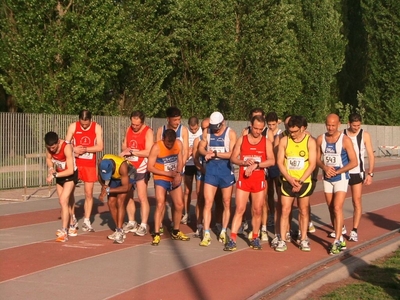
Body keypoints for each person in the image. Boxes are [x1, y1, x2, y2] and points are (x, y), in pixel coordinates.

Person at [225, 115, 275, 251]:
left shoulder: (266, 142)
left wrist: (257, 165)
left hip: (258, 181)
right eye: (255, 128)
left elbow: (272, 161)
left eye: (260, 129)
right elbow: (233, 158)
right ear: (250, 126)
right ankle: (232, 239)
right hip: (244, 180)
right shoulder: (242, 139)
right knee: (240, 209)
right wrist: (243, 162)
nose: (257, 131)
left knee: (257, 210)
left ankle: (255, 237)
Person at [316, 113, 357, 255]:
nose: (330, 127)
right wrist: (325, 167)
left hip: (341, 178)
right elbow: (316, 158)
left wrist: (339, 171)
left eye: (333, 125)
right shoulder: (321, 139)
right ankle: (340, 230)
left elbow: (354, 162)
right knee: (331, 207)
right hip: (327, 178)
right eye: (328, 125)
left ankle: (338, 240)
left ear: (339, 124)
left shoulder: (345, 140)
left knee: (337, 207)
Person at [275, 116, 317, 252]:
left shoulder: (310, 142)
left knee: (303, 211)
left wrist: (301, 180)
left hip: (303, 182)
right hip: (288, 181)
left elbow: (312, 164)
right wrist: (289, 177)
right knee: (285, 210)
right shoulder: (284, 141)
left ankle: (303, 238)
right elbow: (280, 162)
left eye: (295, 131)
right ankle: (282, 239)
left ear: (303, 128)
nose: (292, 134)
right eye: (290, 131)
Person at [198, 111, 237, 247]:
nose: (215, 130)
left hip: (225, 170)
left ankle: (223, 230)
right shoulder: (207, 132)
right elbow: (200, 148)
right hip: (211, 170)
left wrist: (215, 153)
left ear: (223, 123)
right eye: (213, 127)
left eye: (217, 127)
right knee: (208, 202)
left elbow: (233, 154)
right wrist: (206, 153)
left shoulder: (230, 133)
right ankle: (206, 232)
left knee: (226, 202)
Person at [147, 129, 190, 246]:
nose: (170, 145)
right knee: (160, 203)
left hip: (174, 177)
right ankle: (156, 233)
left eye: (171, 143)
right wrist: (167, 174)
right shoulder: (156, 147)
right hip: (161, 178)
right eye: (167, 143)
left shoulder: (178, 144)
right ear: (163, 139)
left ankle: (175, 230)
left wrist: (179, 174)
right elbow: (150, 167)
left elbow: (180, 160)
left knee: (179, 204)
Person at [65, 109, 104, 232]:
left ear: (90, 120)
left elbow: (100, 146)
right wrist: (74, 149)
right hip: (75, 164)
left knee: (89, 192)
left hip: (89, 164)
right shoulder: (73, 126)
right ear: (79, 120)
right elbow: (66, 143)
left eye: (86, 124)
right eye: (82, 124)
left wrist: (86, 149)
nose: (84, 126)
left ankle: (87, 220)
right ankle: (72, 217)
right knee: (70, 192)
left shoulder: (97, 127)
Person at [156, 106, 189, 233]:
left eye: (179, 120)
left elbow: (184, 152)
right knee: (161, 200)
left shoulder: (183, 130)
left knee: (178, 202)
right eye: (174, 120)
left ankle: (175, 227)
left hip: (177, 170)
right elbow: (157, 149)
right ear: (168, 119)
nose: (177, 122)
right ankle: (158, 225)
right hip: (162, 170)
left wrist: (179, 171)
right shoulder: (161, 130)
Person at [120, 111, 153, 237]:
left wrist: (133, 152)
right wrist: (126, 150)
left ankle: (143, 224)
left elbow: (149, 151)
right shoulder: (129, 129)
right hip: (129, 166)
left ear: (142, 122)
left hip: (141, 166)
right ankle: (132, 221)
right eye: (133, 124)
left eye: (137, 125)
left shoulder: (148, 132)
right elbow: (124, 145)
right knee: (128, 194)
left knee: (141, 196)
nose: (134, 127)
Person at [343, 113, 375, 242]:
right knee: (337, 203)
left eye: (358, 125)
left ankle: (354, 230)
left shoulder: (364, 135)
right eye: (354, 125)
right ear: (349, 123)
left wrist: (370, 173)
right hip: (344, 172)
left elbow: (371, 155)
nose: (356, 127)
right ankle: (340, 227)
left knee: (356, 201)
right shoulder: (342, 134)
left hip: (357, 172)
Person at [45, 131, 78, 242]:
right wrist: (50, 169)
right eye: (49, 147)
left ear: (58, 142)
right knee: (63, 202)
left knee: (63, 200)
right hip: (59, 175)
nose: (52, 150)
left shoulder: (66, 147)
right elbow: (49, 159)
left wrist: (54, 175)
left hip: (70, 175)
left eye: (54, 147)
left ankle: (64, 231)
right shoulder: (49, 148)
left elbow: (69, 170)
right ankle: (72, 225)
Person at [98, 154, 136, 244]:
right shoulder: (101, 162)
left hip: (129, 174)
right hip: (116, 177)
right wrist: (104, 187)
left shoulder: (122, 166)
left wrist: (108, 189)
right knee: (110, 202)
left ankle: (119, 231)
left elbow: (126, 188)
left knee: (120, 200)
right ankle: (119, 229)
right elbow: (99, 177)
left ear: (113, 167)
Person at [182, 116, 203, 225]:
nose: (193, 131)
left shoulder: (202, 131)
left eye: (195, 129)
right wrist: (187, 151)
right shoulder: (185, 132)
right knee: (187, 190)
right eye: (192, 129)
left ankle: (200, 216)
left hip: (198, 164)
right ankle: (186, 213)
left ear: (198, 125)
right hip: (188, 164)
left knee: (199, 192)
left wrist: (196, 150)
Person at [264, 112, 282, 233]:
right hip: (268, 164)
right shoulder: (265, 132)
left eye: (273, 124)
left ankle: (280, 214)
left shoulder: (281, 134)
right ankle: (271, 214)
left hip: (278, 166)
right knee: (268, 192)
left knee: (279, 191)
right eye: (269, 124)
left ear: (277, 122)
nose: (271, 126)